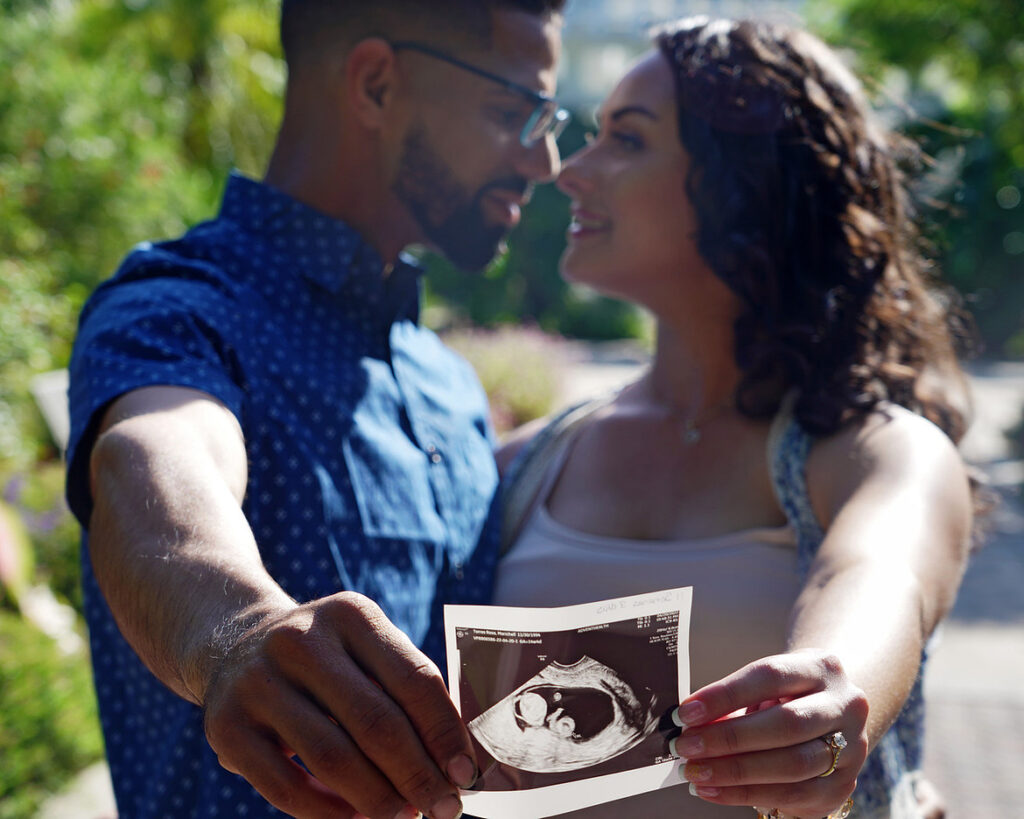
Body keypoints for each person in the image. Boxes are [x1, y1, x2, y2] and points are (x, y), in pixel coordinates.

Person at [64, 1, 568, 817]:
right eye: (514, 111)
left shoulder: (445, 380)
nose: (544, 159)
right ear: (375, 84)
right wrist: (241, 629)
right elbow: (152, 463)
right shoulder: (178, 310)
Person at [495, 16, 976, 819]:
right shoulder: (524, 464)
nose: (571, 171)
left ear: (744, 181)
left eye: (629, 139)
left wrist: (831, 695)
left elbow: (873, 578)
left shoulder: (878, 455)